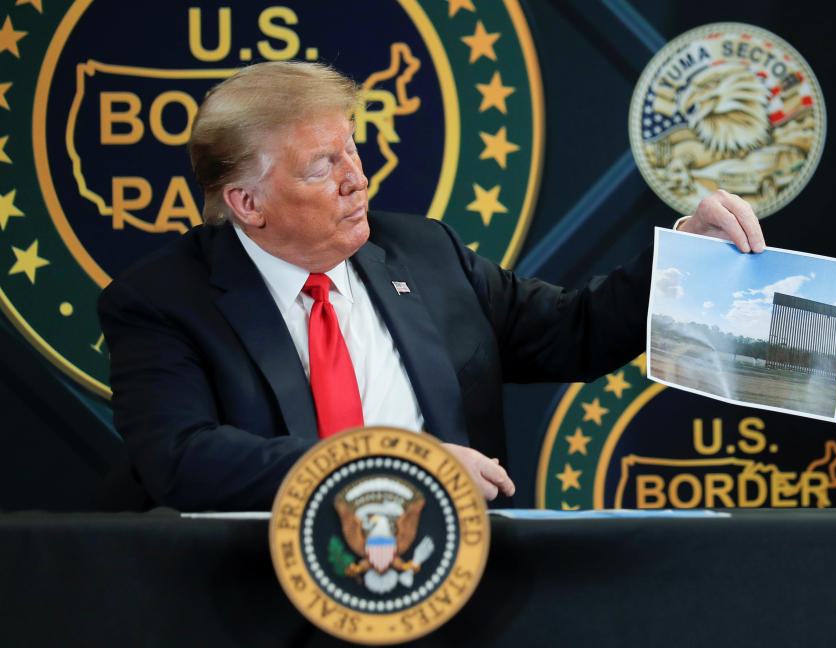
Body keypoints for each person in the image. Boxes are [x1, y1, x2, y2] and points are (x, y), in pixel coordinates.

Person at [98, 61, 765, 511]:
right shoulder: (162, 302)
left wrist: (687, 257)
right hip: (264, 604)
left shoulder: (423, 252)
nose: (356, 178)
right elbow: (181, 458)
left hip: (458, 599)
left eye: (352, 150)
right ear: (248, 203)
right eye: (322, 166)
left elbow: (575, 332)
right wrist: (393, 462)